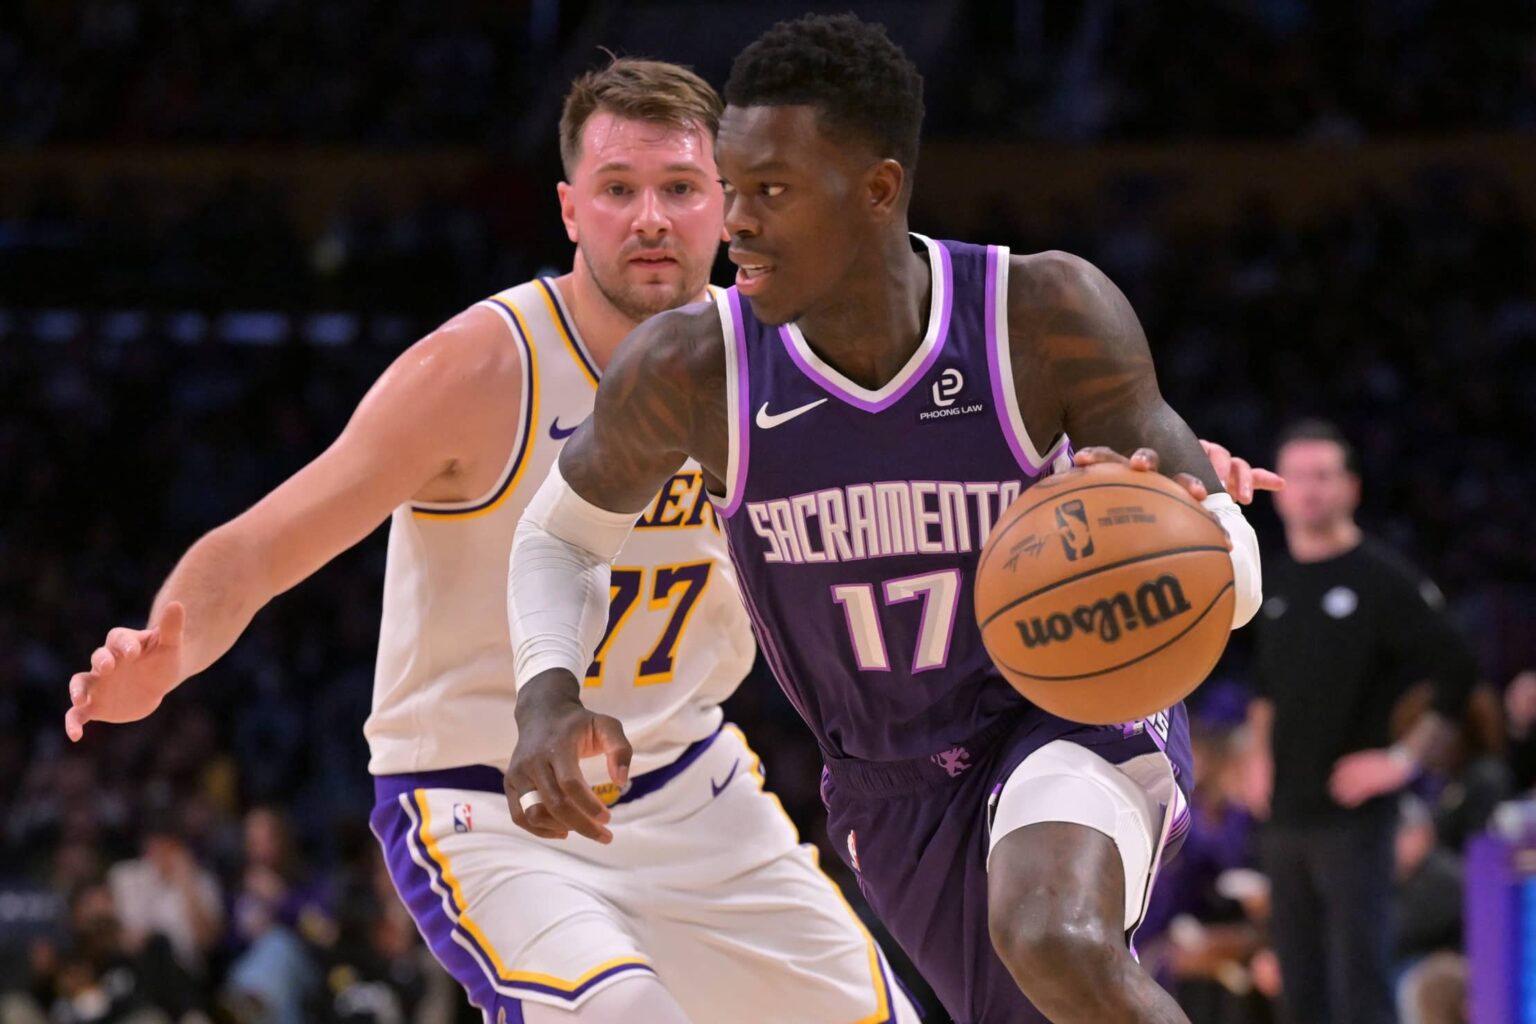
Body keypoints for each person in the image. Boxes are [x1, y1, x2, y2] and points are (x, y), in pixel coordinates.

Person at [62, 58, 921, 1024]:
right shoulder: (479, 370)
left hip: (690, 785)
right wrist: (168, 651)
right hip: (487, 802)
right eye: (618, 189)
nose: (650, 218)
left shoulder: (784, 356)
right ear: (569, 210)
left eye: (680, 188)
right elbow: (260, 547)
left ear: (724, 202)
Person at [504, 15, 1276, 1024]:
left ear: (876, 189)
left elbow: (1235, 578)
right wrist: (546, 693)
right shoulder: (692, 366)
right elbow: (560, 534)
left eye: (771, 191)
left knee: (1056, 935)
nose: (734, 223)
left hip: (1066, 701)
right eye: (731, 188)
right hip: (891, 781)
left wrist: (1180, 536)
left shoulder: (1040, 314)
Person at [1244, 418, 1477, 1024]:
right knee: (1298, 988)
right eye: (1297, 476)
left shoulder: (1381, 578)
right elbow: (1266, 687)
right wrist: (1257, 755)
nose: (1309, 489)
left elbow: (1458, 666)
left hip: (1355, 822)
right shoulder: (1272, 578)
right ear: (1278, 489)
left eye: (1324, 475)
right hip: (1285, 816)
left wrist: (1401, 761)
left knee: (1359, 987)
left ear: (1351, 487)